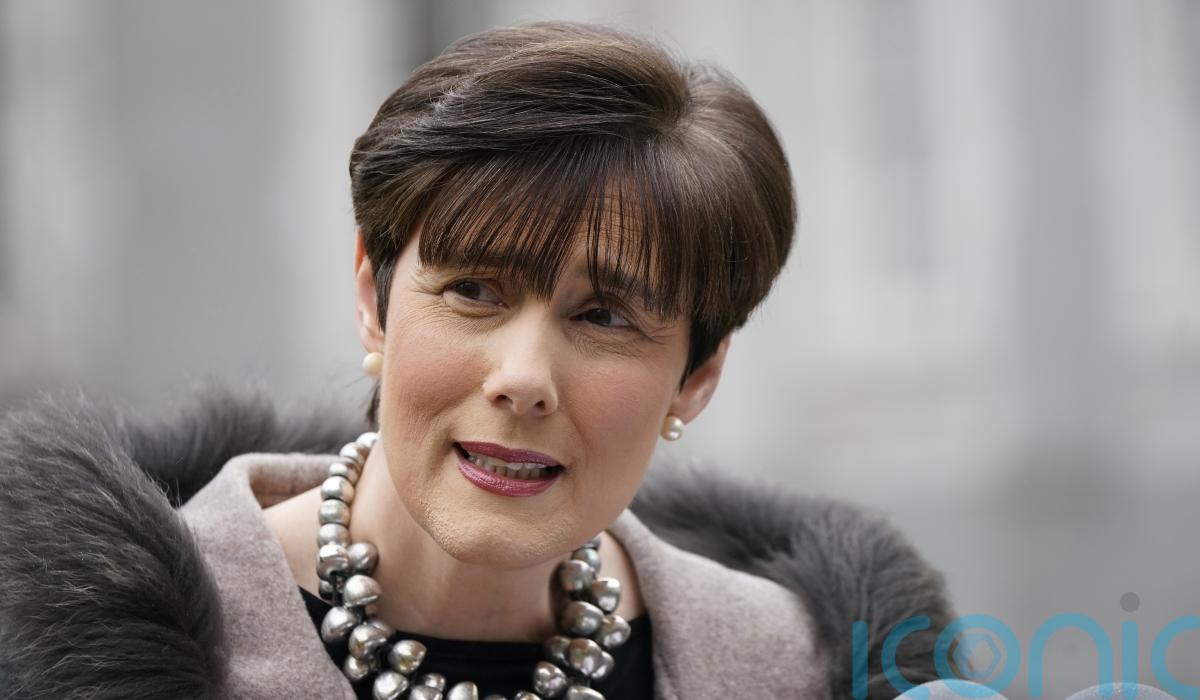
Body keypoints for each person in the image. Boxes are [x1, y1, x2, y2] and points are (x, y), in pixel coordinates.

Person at [0, 20, 961, 700]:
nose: (523, 377)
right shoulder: (86, 650)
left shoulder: (789, 671)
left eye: (605, 316)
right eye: (473, 291)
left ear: (697, 377)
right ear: (374, 299)